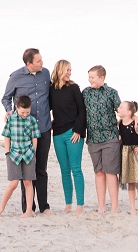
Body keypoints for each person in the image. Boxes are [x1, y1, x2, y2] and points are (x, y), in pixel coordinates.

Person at [1, 48, 53, 215]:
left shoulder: (45, 74)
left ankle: (44, 207)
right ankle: (28, 208)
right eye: (38, 61)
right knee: (26, 172)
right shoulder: (16, 77)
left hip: (44, 127)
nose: (42, 63)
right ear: (29, 63)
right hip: (23, 131)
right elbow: (5, 97)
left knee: (41, 169)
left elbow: (50, 97)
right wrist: (9, 111)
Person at [82, 64, 123, 213]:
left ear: (102, 78)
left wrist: (135, 118)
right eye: (89, 77)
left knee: (111, 172)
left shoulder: (112, 93)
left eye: (92, 77)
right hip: (93, 138)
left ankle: (114, 207)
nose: (89, 80)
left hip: (110, 137)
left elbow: (122, 111)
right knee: (98, 172)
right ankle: (101, 206)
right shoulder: (85, 93)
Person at [49, 59, 86, 214]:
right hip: (57, 134)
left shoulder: (74, 88)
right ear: (60, 70)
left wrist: (78, 130)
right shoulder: (51, 89)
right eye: (67, 70)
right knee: (64, 170)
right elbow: (46, 109)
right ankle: (68, 204)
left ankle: (80, 205)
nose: (70, 73)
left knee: (76, 169)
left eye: (71, 70)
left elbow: (82, 110)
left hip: (73, 133)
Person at [0, 95, 38, 218]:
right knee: (13, 184)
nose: (25, 114)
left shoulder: (32, 120)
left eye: (27, 112)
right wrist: (7, 151)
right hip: (14, 155)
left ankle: (28, 210)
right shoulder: (11, 119)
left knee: (28, 182)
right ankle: (0, 208)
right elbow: (7, 136)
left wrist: (33, 151)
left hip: (28, 154)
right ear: (17, 107)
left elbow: (34, 137)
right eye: (23, 112)